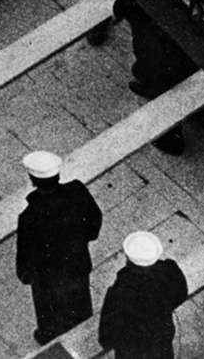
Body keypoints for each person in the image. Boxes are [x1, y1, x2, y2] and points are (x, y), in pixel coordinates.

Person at [16, 150, 103, 345]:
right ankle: (82, 334)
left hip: (48, 277)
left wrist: (26, 275)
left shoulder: (30, 216)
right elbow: (94, 221)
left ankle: (49, 336)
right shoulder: (78, 191)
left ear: (33, 180)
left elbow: (25, 254)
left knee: (49, 310)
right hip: (77, 264)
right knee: (80, 300)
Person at [114, 0, 204, 155]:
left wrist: (121, 7)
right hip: (189, 17)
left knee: (157, 67)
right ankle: (202, 117)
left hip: (155, 9)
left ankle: (169, 137)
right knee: (183, 62)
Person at [98, 231, 188, 359]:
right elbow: (181, 294)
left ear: (128, 258)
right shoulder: (169, 271)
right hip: (162, 343)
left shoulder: (119, 292)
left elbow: (106, 338)